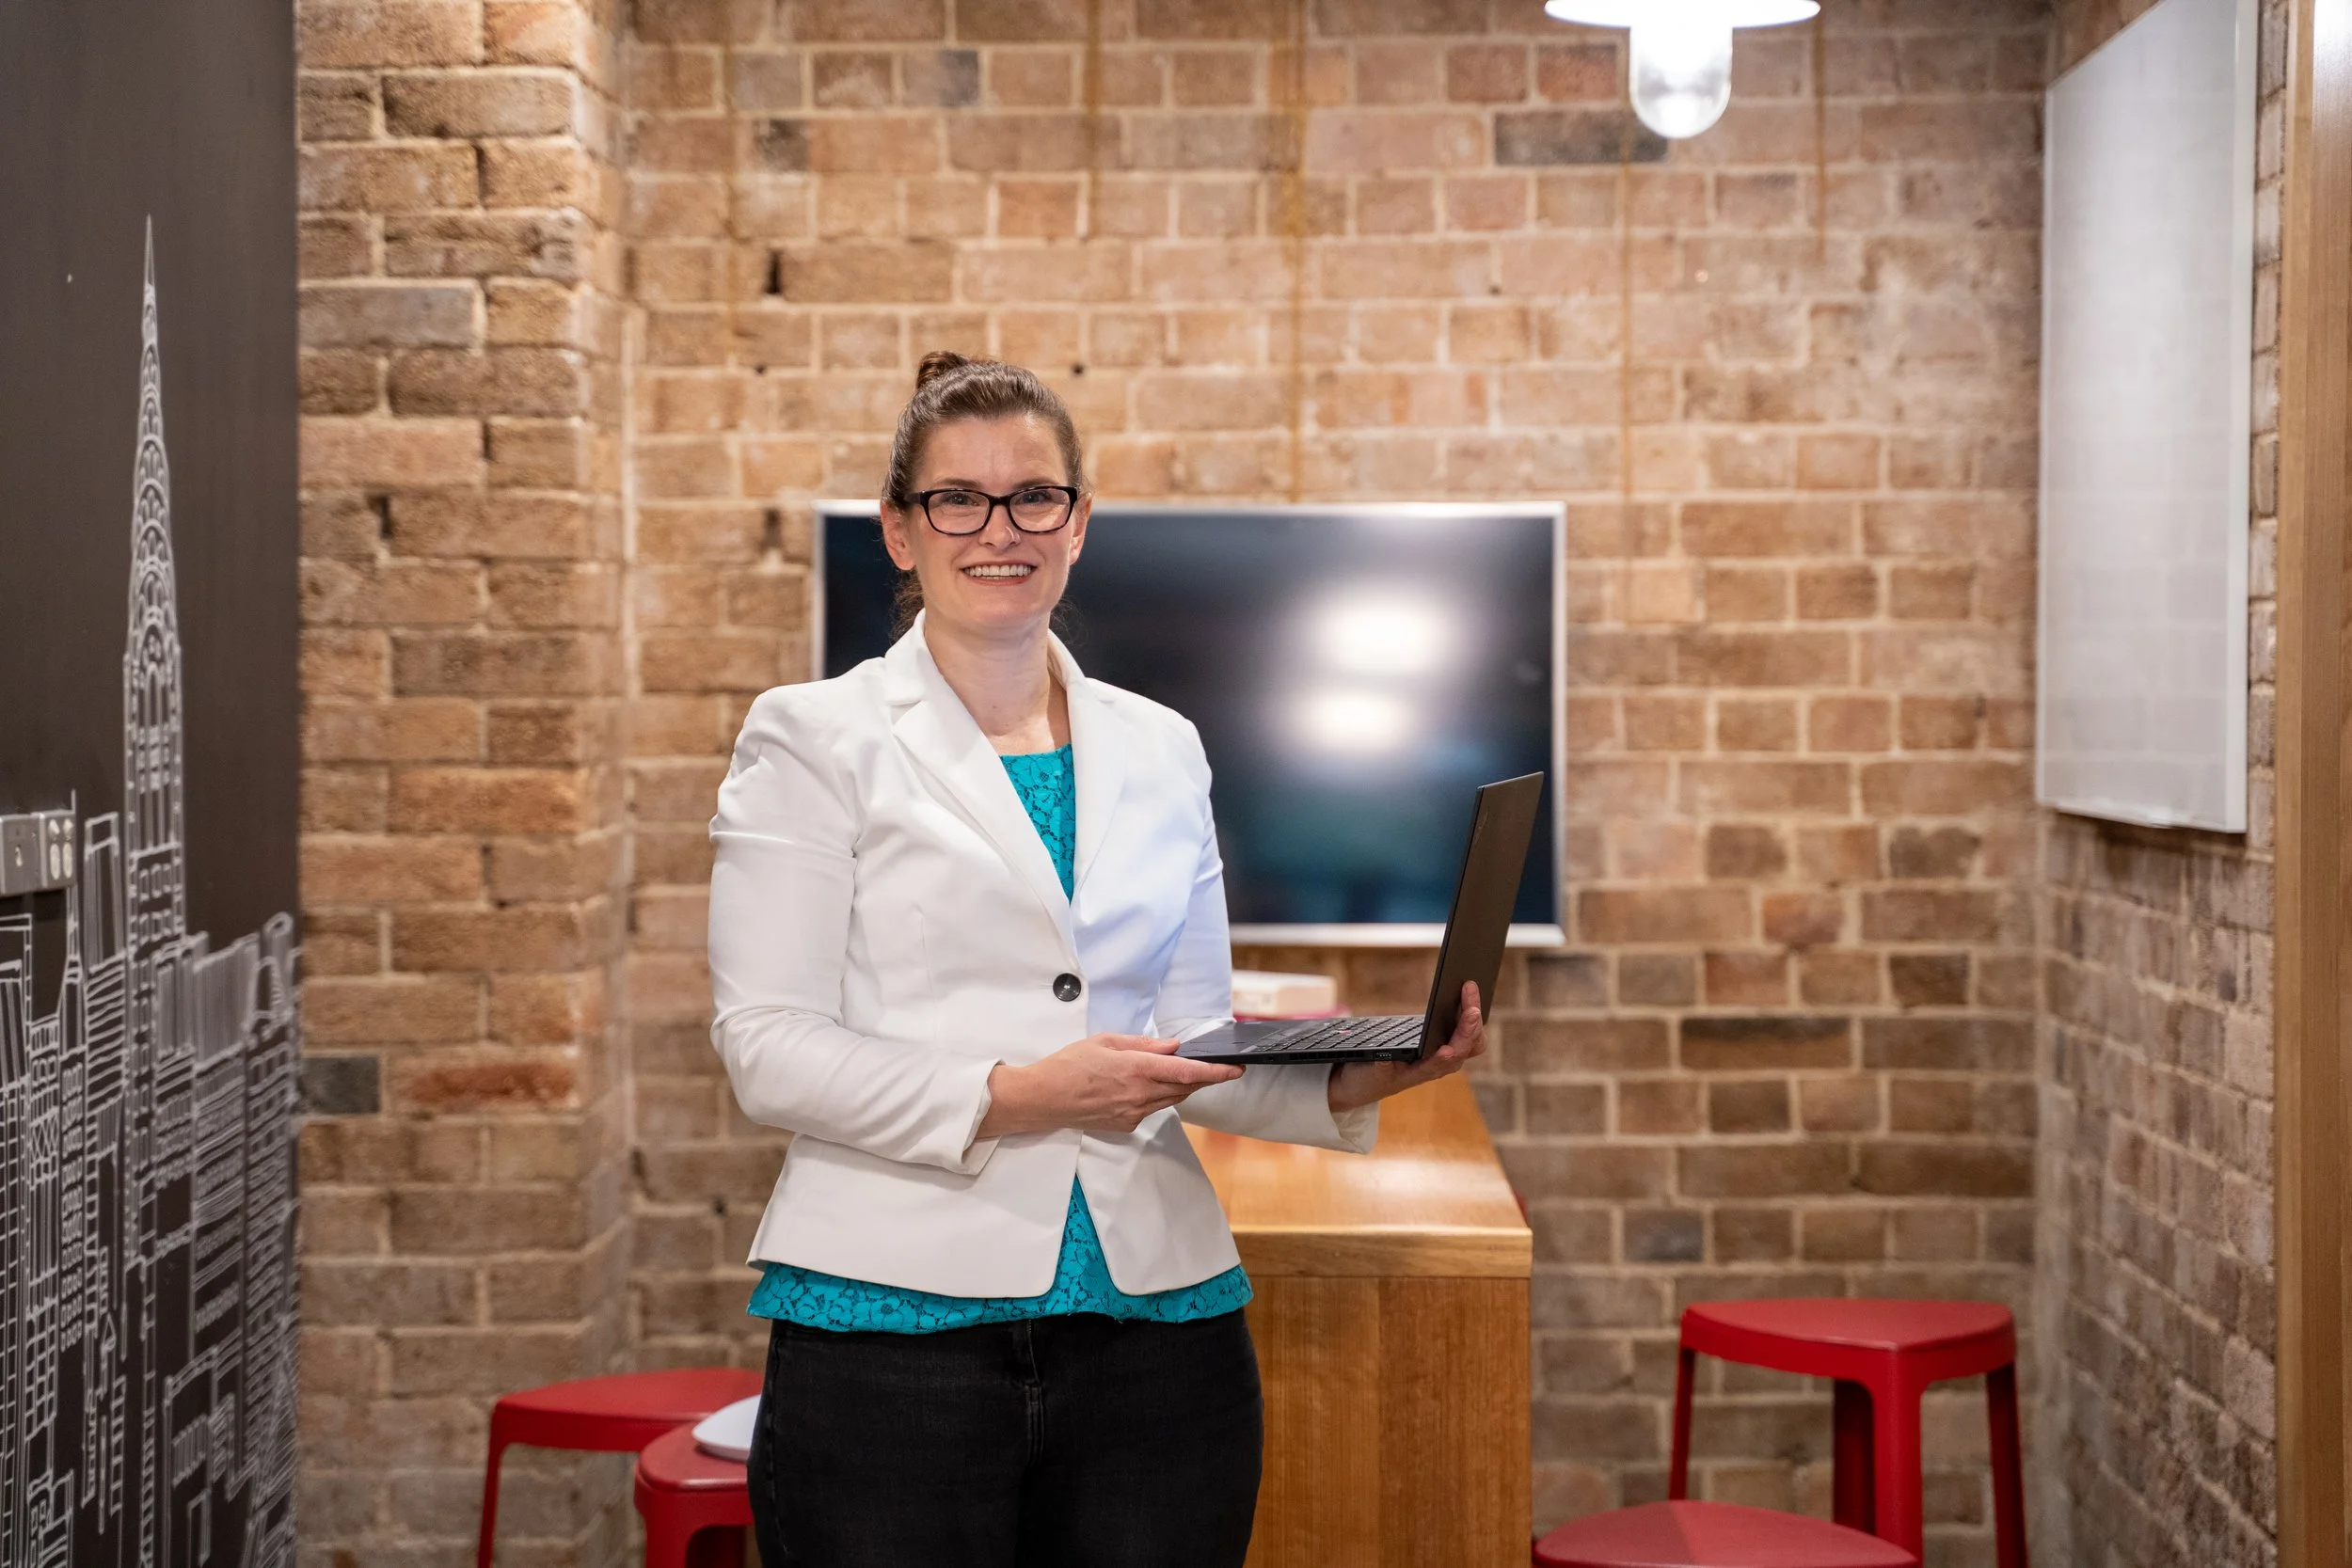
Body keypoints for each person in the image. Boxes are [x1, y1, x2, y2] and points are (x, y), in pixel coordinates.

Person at [707, 352, 1487, 1568]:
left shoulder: (1162, 743)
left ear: (1078, 522)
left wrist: (1365, 1074)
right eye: (956, 498)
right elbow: (768, 1047)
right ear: (900, 532)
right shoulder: (813, 736)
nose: (998, 527)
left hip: (1159, 1330)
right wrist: (1018, 1094)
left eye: (1033, 497)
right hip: (893, 1328)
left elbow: (1189, 1040)